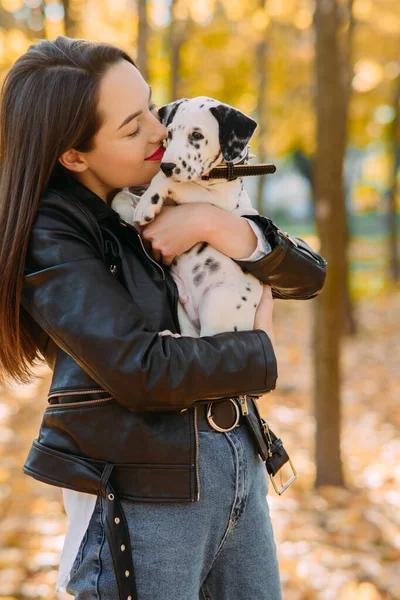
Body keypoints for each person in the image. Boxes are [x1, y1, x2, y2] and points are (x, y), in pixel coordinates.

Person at [0, 36, 327, 600]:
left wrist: (215, 224)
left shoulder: (174, 186)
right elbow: (141, 369)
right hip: (144, 499)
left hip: (238, 468)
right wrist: (259, 353)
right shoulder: (53, 233)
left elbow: (308, 275)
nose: (160, 130)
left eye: (151, 105)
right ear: (74, 155)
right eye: (132, 127)